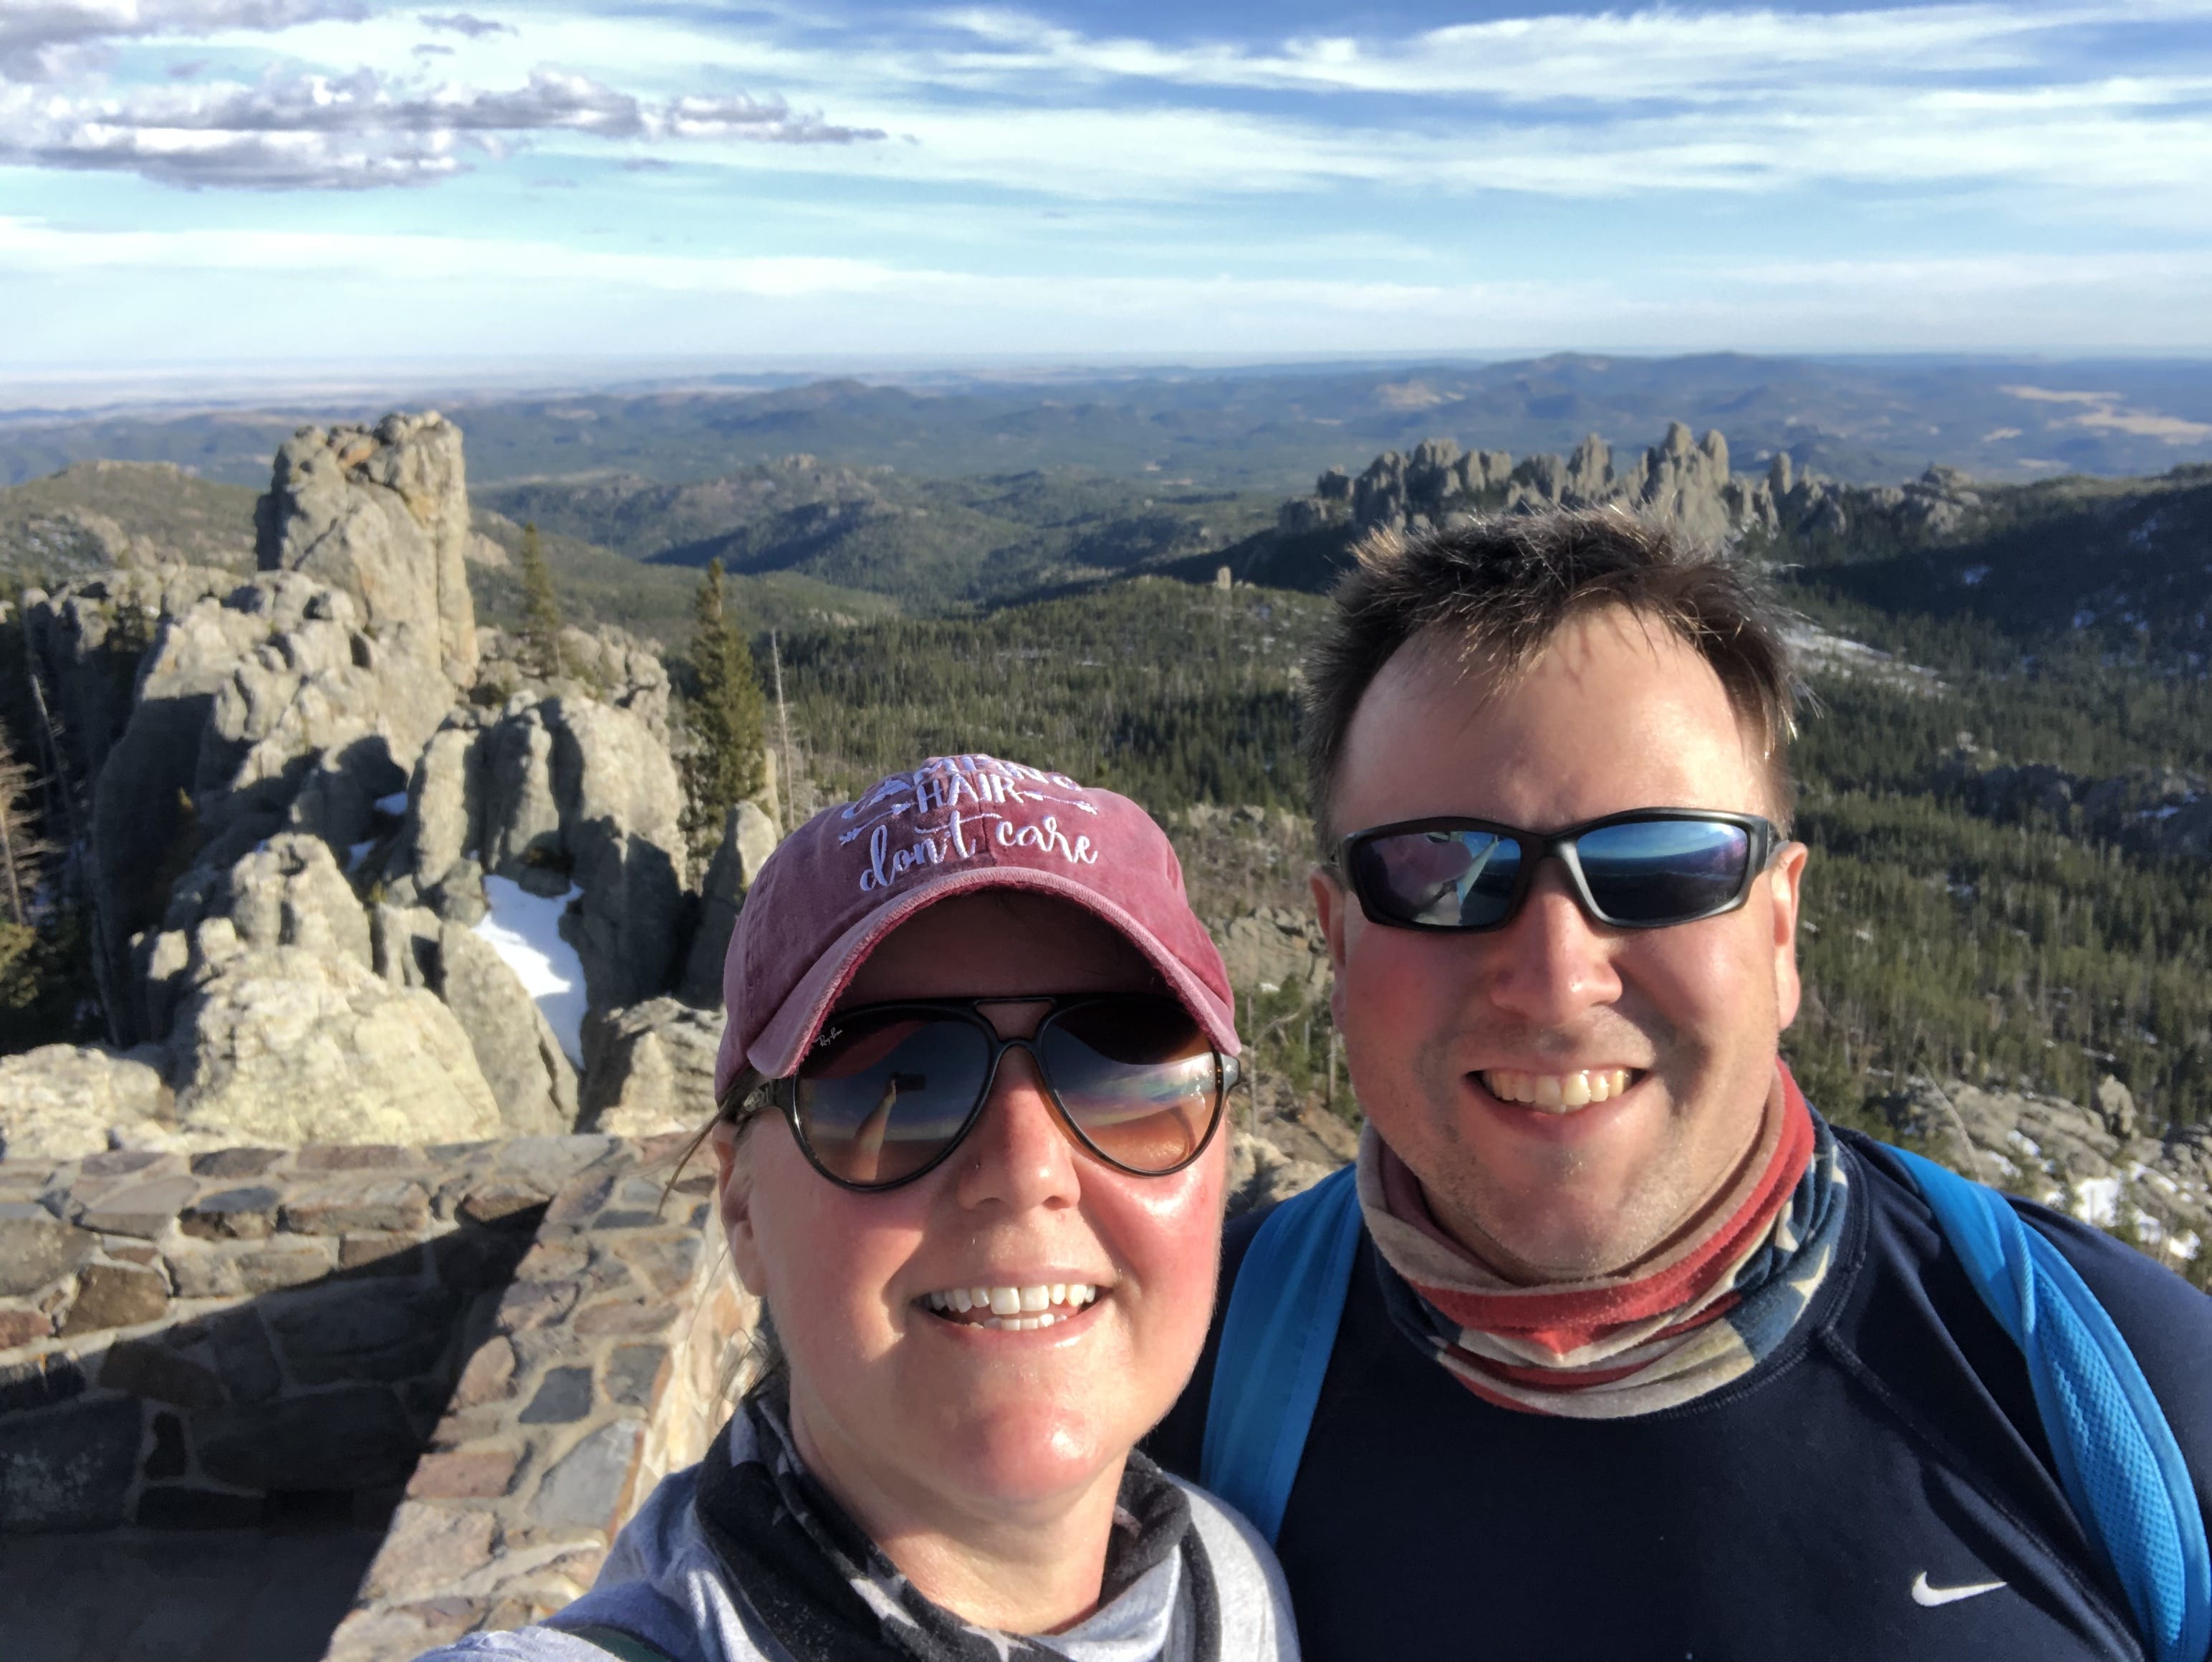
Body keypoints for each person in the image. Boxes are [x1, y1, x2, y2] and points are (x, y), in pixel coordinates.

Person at [1150, 510, 2212, 1661]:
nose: (1555, 979)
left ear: (1779, 926)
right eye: (1440, 873)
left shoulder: (2125, 1395)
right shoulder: (1167, 1395)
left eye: (1661, 865)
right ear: (1339, 940)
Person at [425, 752, 1299, 1662]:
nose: (1027, 1165)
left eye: (1124, 1072)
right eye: (888, 1082)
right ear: (743, 1208)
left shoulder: (1238, 1591)